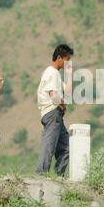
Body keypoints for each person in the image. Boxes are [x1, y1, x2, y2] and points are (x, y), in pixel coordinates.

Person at [36, 44, 74, 176]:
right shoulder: (51, 72)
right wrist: (62, 102)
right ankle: (41, 175)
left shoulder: (56, 74)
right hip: (52, 112)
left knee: (66, 146)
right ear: (59, 58)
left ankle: (59, 176)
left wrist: (69, 75)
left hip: (57, 115)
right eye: (66, 59)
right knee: (49, 145)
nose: (68, 63)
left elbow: (68, 93)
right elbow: (54, 96)